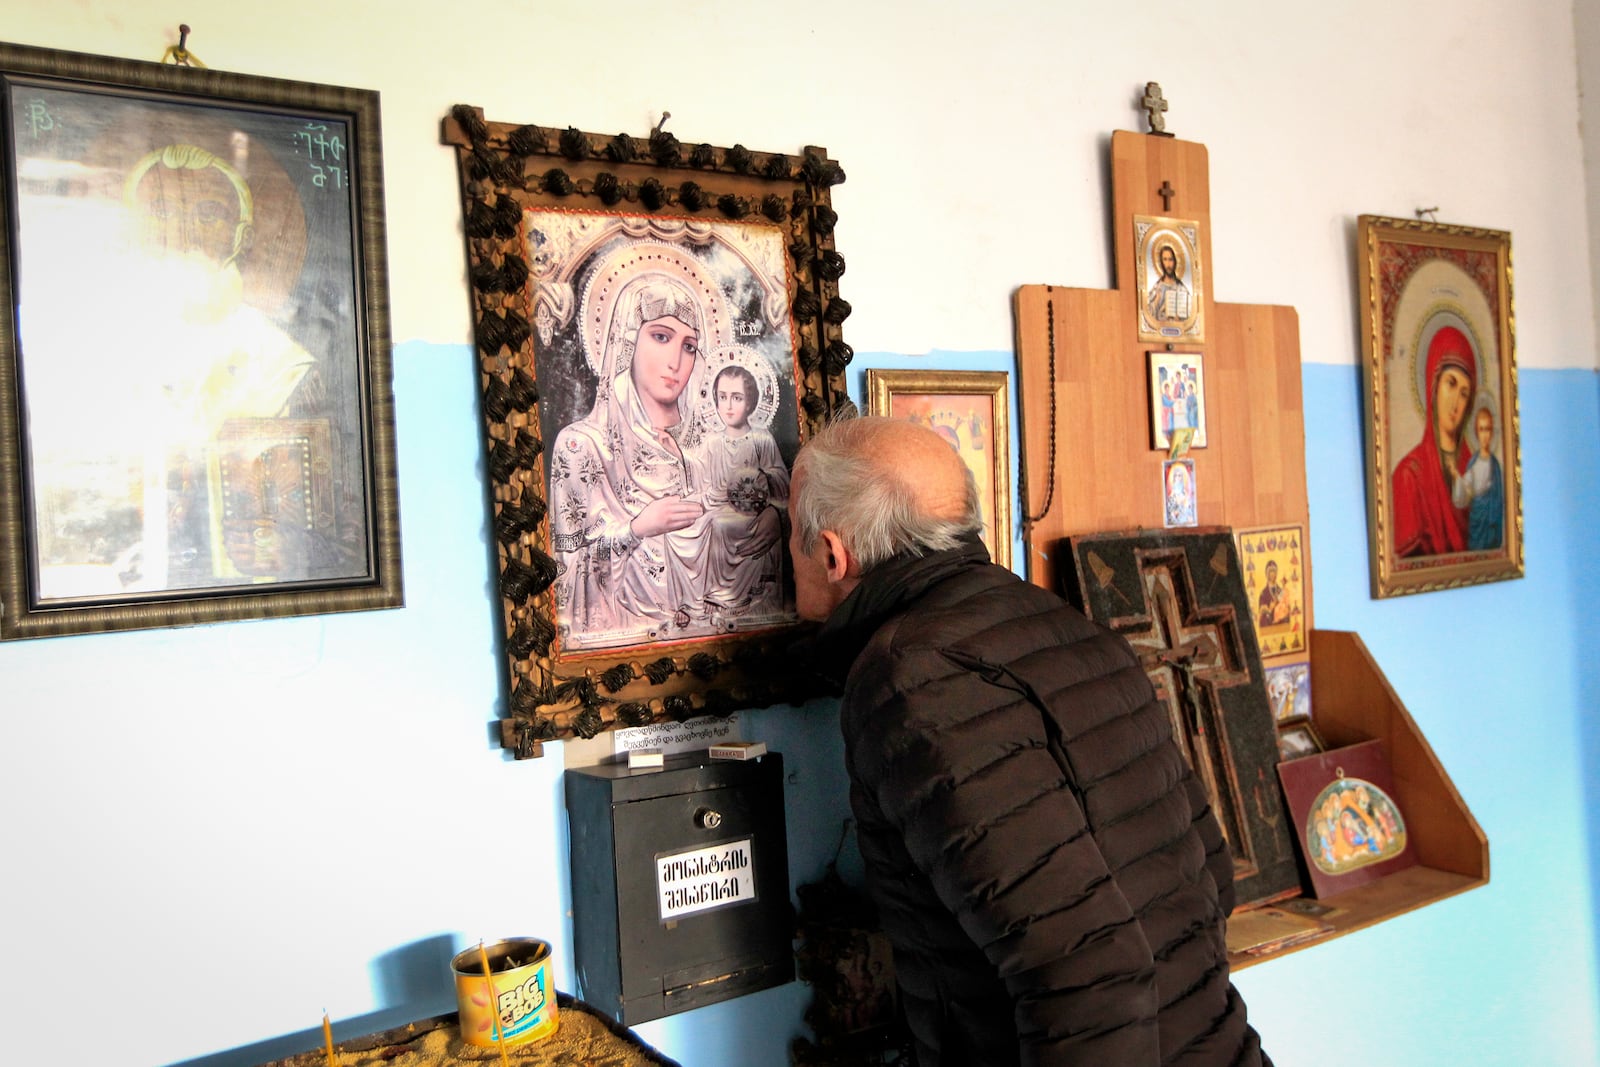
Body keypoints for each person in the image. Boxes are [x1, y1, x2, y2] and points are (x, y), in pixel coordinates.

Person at [789, 416, 1269, 1066]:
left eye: (787, 532)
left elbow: (1088, 975)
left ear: (831, 553)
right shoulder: (1063, 622)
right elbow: (1212, 873)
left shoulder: (908, 676)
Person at [691, 349, 792, 623]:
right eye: (722, 397)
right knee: (710, 524)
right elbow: (699, 481)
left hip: (752, 511)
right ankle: (715, 594)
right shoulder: (712, 442)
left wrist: (762, 477)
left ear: (750, 402)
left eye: (737, 398)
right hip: (718, 507)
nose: (728, 405)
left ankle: (738, 596)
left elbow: (782, 480)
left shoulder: (761, 438)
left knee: (724, 525)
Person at [1391, 325, 1477, 558]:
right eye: (1451, 383)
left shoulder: (1474, 472)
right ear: (1433, 384)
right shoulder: (1409, 475)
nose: (1456, 402)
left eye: (1464, 393)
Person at [1451, 405, 1504, 551]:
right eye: (1481, 429)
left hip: (1491, 527)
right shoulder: (1473, 464)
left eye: (1488, 429)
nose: (1485, 435)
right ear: (1476, 432)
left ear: (1492, 432)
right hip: (1477, 522)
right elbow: (1464, 495)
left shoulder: (1496, 466)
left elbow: (1500, 501)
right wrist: (1456, 476)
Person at [1147, 241, 1190, 323]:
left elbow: (1189, 310)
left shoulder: (1181, 288)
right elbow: (1147, 313)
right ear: (1161, 262)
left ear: (1175, 262)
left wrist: (1180, 319)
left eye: (1170, 260)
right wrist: (1156, 301)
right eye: (1165, 260)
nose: (1168, 264)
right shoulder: (1157, 287)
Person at [1256, 560, 1290, 629]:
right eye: (1270, 572)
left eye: (1274, 571)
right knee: (1265, 618)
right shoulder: (1263, 593)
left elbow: (1285, 602)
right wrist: (1268, 608)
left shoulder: (1280, 590)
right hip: (1268, 620)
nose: (1272, 574)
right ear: (1267, 574)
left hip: (1280, 618)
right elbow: (1261, 609)